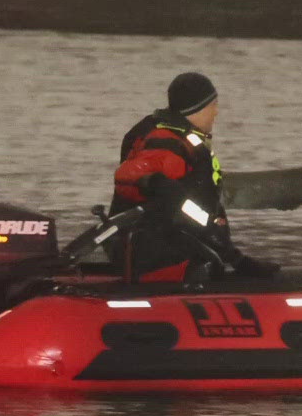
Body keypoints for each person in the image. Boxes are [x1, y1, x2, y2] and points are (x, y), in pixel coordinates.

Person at [109, 71, 278, 282]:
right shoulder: (167, 143)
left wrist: (231, 255)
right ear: (196, 109)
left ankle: (229, 261)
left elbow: (194, 210)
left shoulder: (177, 139)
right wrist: (154, 182)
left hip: (173, 245)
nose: (216, 112)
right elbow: (133, 176)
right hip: (157, 254)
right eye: (213, 105)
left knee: (211, 258)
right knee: (208, 264)